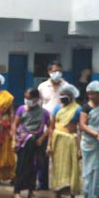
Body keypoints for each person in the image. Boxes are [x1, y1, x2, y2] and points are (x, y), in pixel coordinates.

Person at [11, 88, 51, 198]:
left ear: (36, 99)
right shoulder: (21, 109)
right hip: (24, 142)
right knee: (21, 166)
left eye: (30, 98)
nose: (27, 100)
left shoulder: (44, 112)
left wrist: (43, 138)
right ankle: (17, 191)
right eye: (26, 98)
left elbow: (50, 127)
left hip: (37, 143)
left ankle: (31, 191)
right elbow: (15, 125)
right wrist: (14, 140)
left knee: (34, 167)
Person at [47, 84, 82, 198]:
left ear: (71, 97)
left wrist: (79, 148)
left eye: (65, 96)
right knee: (57, 168)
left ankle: (72, 196)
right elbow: (51, 127)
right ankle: (57, 194)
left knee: (72, 168)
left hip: (71, 141)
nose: (63, 98)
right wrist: (49, 144)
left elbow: (80, 129)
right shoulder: (57, 108)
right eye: (61, 95)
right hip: (57, 140)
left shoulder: (78, 109)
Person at [37, 61, 67, 190]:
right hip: (45, 127)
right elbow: (38, 105)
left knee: (59, 157)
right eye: (55, 71)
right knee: (43, 157)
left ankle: (59, 184)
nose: (57, 74)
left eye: (59, 71)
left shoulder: (66, 86)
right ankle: (43, 183)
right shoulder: (42, 87)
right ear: (49, 72)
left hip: (61, 126)